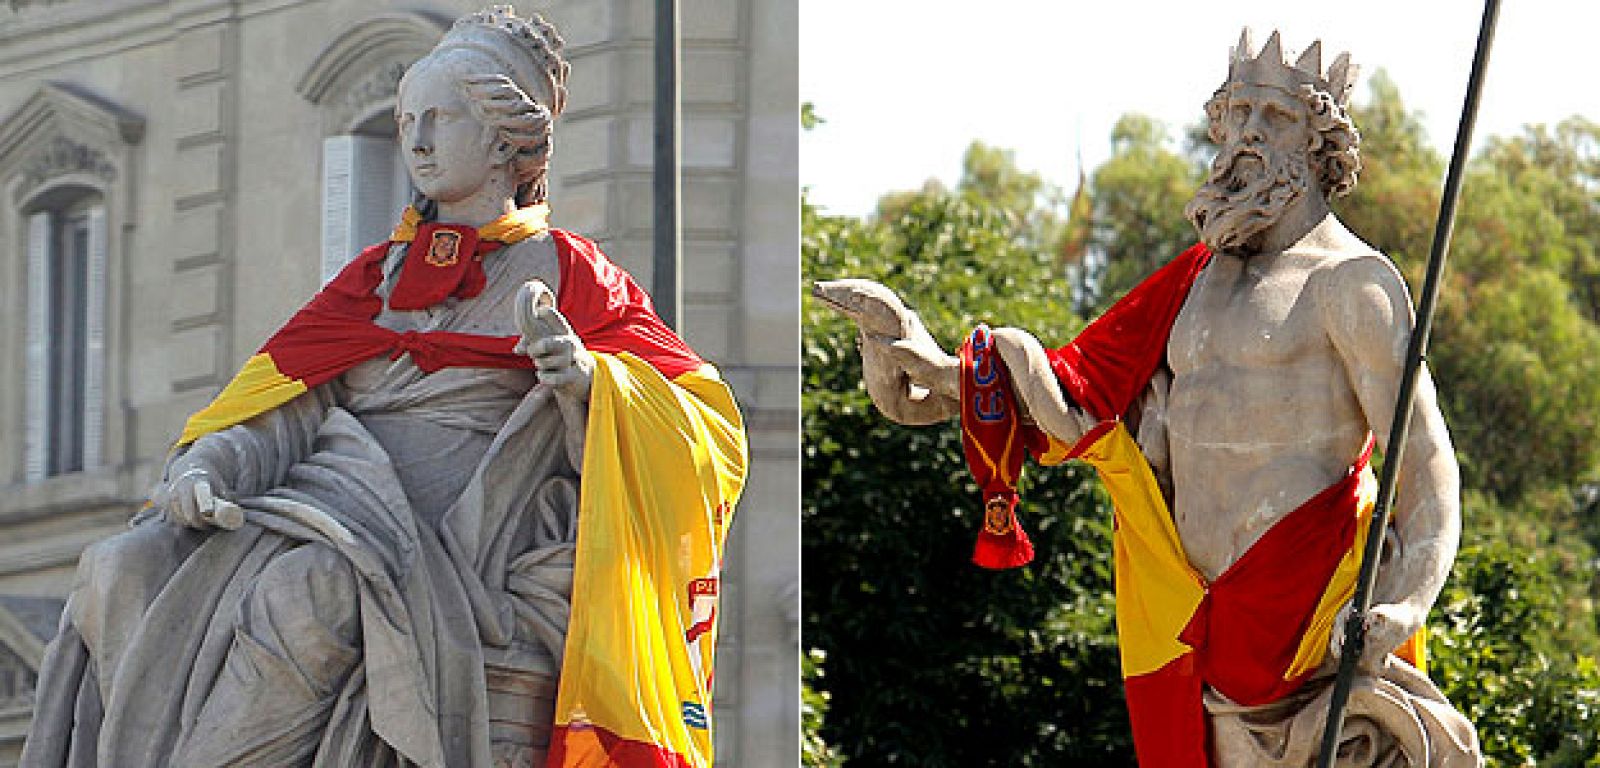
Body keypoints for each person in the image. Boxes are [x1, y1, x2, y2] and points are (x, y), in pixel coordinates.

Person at [23, 6, 746, 767]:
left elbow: (709, 427)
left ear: (504, 138)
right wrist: (208, 466)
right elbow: (287, 406)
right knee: (122, 567)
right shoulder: (372, 278)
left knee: (312, 587)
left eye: (442, 118)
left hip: (456, 536)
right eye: (406, 122)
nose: (418, 141)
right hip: (321, 501)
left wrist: (593, 382)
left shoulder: (572, 273)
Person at [817, 30, 1478, 766]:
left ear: (1321, 144)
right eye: (1238, 114)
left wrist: (1405, 602)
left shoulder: (1352, 284)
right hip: (1196, 635)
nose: (1250, 135)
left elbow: (1425, 466)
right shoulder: (1193, 282)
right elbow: (1079, 396)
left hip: (1310, 637)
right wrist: (936, 367)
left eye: (1276, 117)